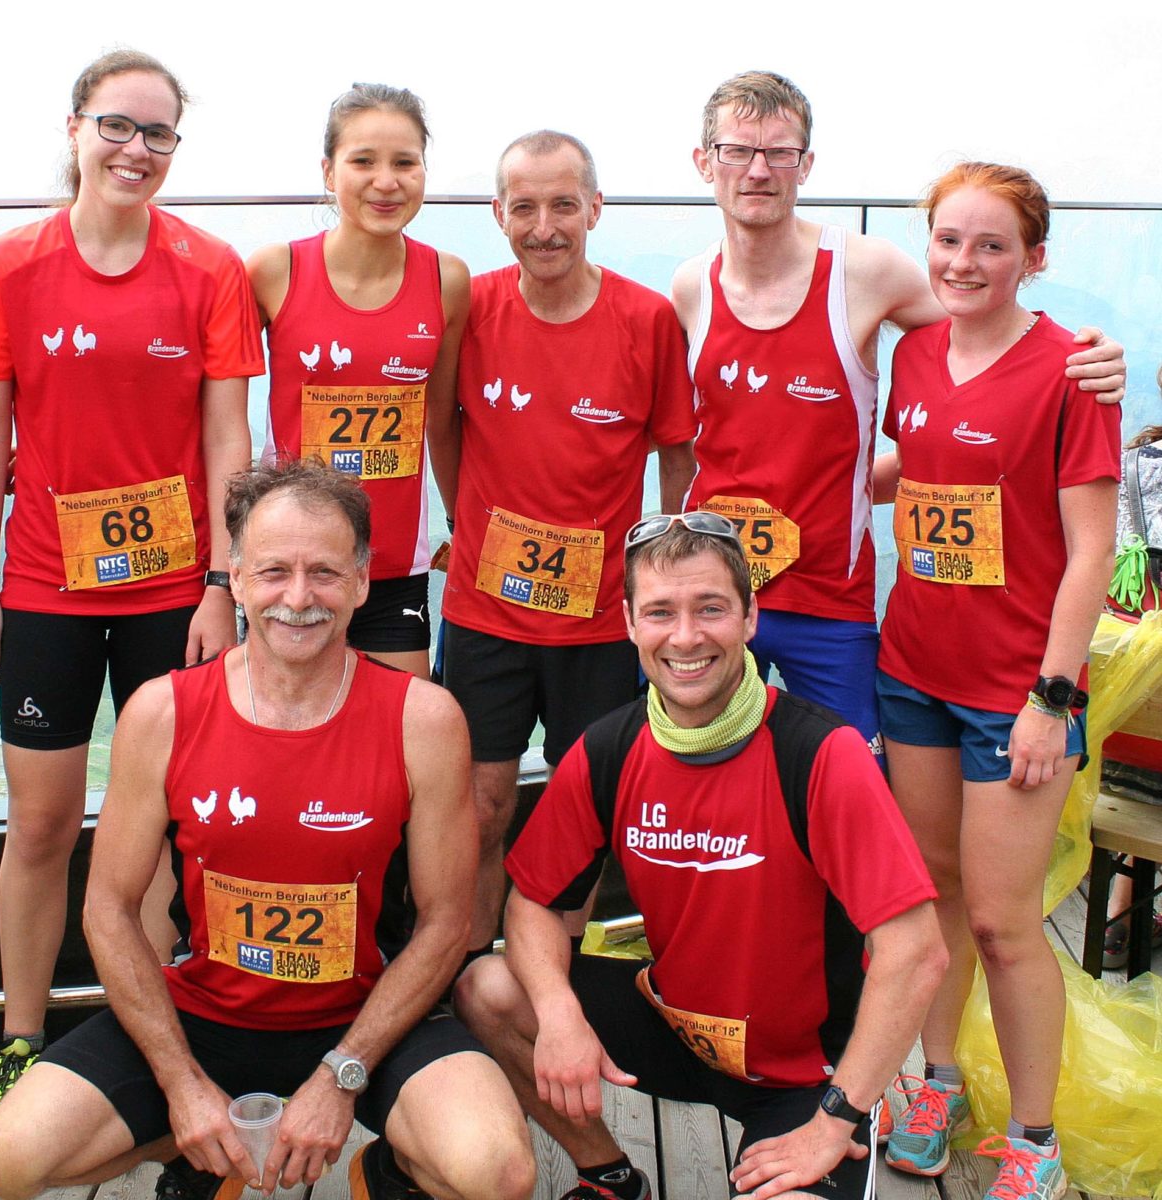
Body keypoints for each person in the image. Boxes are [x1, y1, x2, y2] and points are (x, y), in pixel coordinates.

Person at [0, 459, 534, 1200]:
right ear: (234, 578)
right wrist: (182, 1084)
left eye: (324, 573)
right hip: (201, 1015)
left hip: (369, 1016)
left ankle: (387, 1171)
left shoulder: (423, 720)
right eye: (273, 572)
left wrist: (341, 1075)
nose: (298, 598)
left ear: (363, 582)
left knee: (498, 1174)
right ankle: (202, 1151)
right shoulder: (160, 712)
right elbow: (107, 910)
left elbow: (445, 923)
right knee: (8, 1161)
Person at [455, 513, 946, 1200]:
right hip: (673, 1026)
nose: (685, 637)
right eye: (661, 612)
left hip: (805, 1077)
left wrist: (836, 1119)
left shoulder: (821, 754)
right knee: (489, 988)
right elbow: (535, 902)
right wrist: (560, 1012)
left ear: (750, 618)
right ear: (630, 623)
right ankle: (609, 1176)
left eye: (710, 608)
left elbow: (916, 951)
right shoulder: (609, 749)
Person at [0, 49, 263, 1125]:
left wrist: (224, 583)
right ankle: (19, 1037)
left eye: (158, 133)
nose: (136, 149)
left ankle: (162, 1031)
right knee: (41, 824)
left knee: (173, 828)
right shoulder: (9, 264)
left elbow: (228, 435)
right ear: (76, 127)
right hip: (45, 585)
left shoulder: (209, 268)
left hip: (176, 592)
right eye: (117, 126)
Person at [673, 70, 1125, 751]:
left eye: (780, 152)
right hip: (717, 589)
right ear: (705, 162)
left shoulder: (869, 271)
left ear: (806, 164)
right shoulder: (689, 286)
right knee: (706, 767)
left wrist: (1087, 357)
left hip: (830, 598)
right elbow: (676, 440)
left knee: (849, 782)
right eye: (737, 150)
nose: (758, 170)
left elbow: (981, 321)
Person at [872, 164, 1120, 1197]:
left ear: (1034, 259)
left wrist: (1051, 700)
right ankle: (938, 1085)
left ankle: (1035, 1139)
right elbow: (915, 470)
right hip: (912, 671)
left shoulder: (1071, 371)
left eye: (991, 245)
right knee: (933, 893)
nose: (963, 262)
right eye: (948, 240)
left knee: (1003, 923)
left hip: (1015, 693)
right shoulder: (916, 353)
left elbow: (1092, 550)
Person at [429, 131, 696, 953]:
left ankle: (552, 975)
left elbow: (676, 452)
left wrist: (662, 569)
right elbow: (442, 425)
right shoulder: (472, 308)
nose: (544, 227)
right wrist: (462, 524)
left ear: (595, 209)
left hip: (598, 621)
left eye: (563, 206)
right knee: (480, 806)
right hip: (484, 611)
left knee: (585, 811)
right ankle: (469, 970)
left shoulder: (647, 319)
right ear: (498, 214)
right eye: (525, 208)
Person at [247, 82, 470, 679]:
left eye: (405, 163)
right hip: (288, 562)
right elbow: (214, 406)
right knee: (284, 719)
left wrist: (459, 523)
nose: (386, 182)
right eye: (363, 161)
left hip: (393, 562)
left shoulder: (446, 280)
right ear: (329, 171)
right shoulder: (273, 271)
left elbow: (442, 420)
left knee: (400, 724)